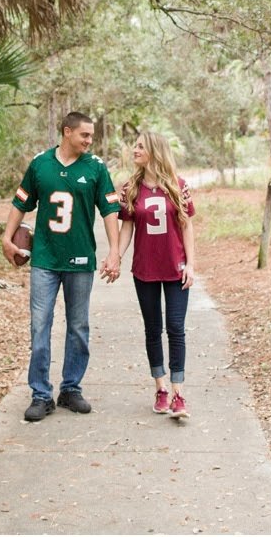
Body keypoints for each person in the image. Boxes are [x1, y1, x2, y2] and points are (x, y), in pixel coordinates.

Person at [2, 112, 121, 422]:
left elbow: (110, 211)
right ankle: (41, 394)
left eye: (91, 136)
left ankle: (71, 388)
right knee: (39, 325)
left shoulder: (95, 168)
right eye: (84, 135)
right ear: (67, 132)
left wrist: (115, 252)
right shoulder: (40, 164)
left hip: (81, 260)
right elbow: (20, 202)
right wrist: (6, 238)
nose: (89, 140)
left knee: (78, 327)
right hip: (44, 259)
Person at [111, 130, 196, 419]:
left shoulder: (178, 186)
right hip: (145, 269)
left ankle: (178, 392)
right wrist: (116, 258)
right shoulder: (130, 188)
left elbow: (186, 226)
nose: (134, 150)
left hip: (176, 269)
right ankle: (160, 387)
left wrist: (192, 265)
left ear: (154, 151)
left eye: (139, 146)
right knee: (152, 329)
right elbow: (127, 228)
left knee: (176, 328)